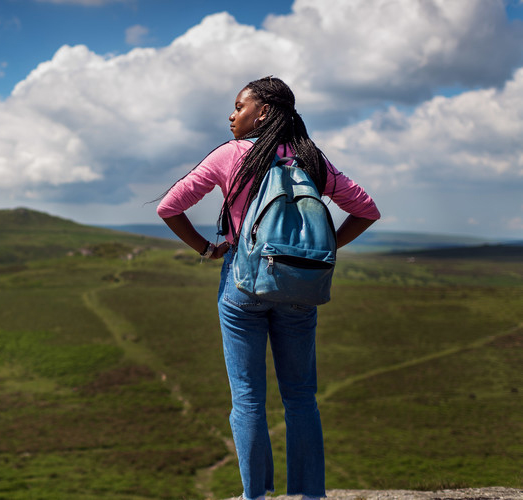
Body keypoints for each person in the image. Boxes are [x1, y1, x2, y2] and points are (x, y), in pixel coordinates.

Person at [156, 76, 380, 500]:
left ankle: (255, 495)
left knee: (247, 399)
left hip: (242, 285)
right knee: (300, 398)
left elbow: (170, 206)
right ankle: (310, 495)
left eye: (239, 106)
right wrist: (326, 246)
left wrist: (208, 249)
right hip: (300, 287)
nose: (231, 115)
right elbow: (366, 210)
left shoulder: (231, 155)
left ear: (262, 112)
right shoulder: (311, 158)